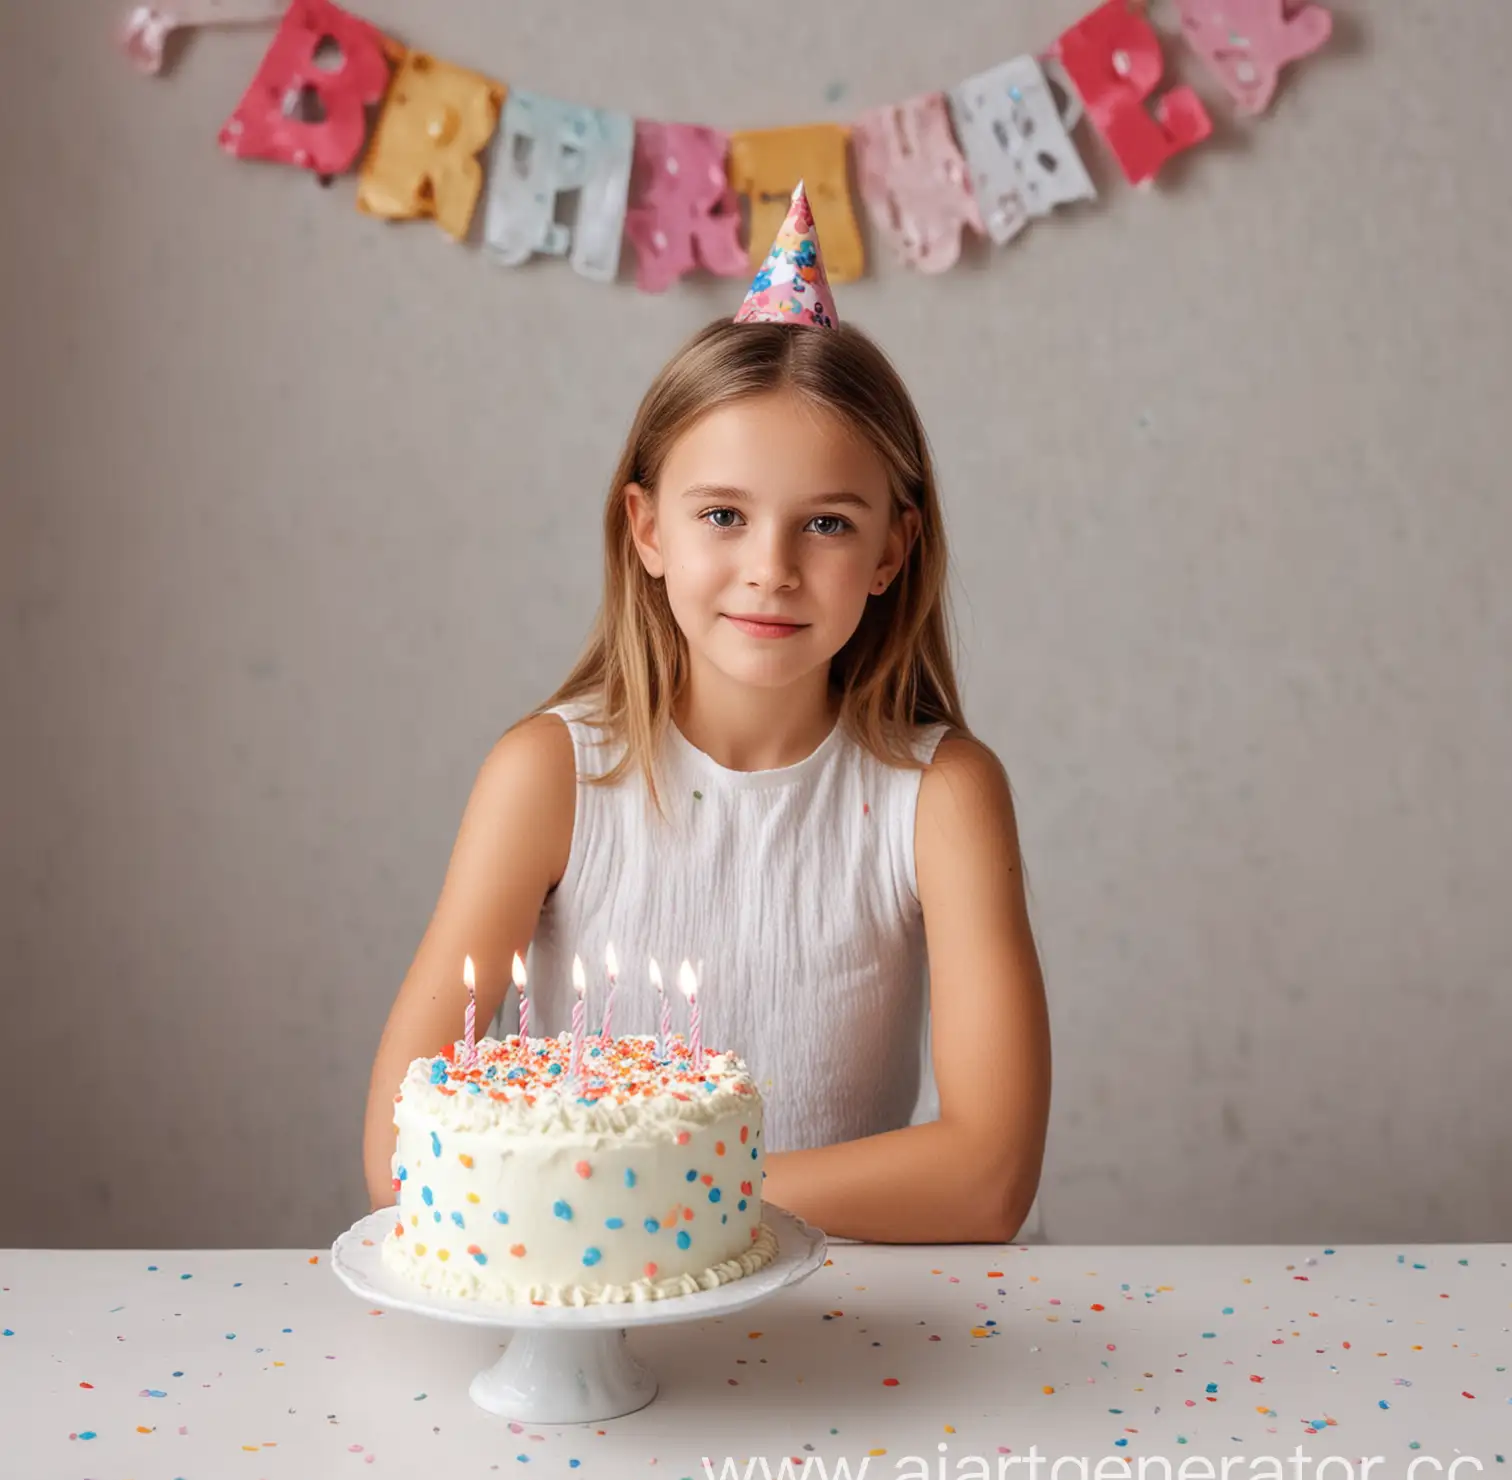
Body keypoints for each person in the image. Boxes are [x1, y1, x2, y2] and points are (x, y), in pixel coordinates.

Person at [363, 184, 1049, 1243]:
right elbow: (402, 1154)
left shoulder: (942, 795)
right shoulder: (549, 779)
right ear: (646, 529)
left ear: (891, 553)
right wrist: (683, 1203)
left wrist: (641, 1188)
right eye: (722, 515)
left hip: (856, 1325)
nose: (769, 571)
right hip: (590, 1316)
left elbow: (988, 1177)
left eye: (825, 523)